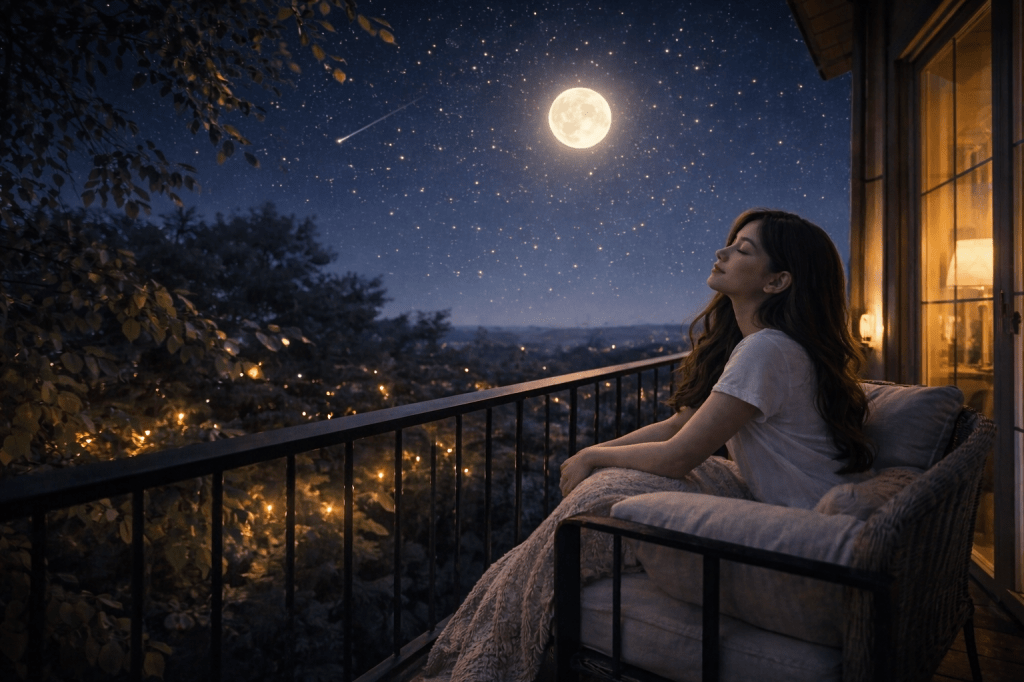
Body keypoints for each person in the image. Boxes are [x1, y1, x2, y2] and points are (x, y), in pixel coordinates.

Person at [423, 208, 874, 682]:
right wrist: (596, 452)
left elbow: (679, 454)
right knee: (608, 485)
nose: (722, 252)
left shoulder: (767, 350)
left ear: (777, 281)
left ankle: (491, 652)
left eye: (743, 250)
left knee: (603, 493)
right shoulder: (768, 346)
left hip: (807, 548)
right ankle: (502, 620)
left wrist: (596, 456)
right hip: (810, 527)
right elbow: (681, 422)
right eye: (730, 242)